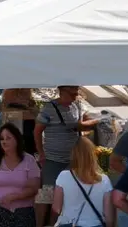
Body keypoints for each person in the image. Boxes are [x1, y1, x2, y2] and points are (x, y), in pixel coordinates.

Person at [35, 86, 98, 226]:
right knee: (46, 194)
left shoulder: (76, 107)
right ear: (62, 92)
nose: (75, 97)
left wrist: (94, 121)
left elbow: (79, 127)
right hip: (52, 159)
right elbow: (37, 131)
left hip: (73, 159)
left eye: (76, 94)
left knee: (69, 194)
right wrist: (41, 153)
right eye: (72, 94)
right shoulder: (49, 108)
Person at [0, 122, 40, 227]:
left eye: (8, 138)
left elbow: (34, 188)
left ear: (16, 139)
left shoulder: (29, 160)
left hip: (23, 212)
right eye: (2, 139)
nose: (4, 141)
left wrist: (15, 197)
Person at [53, 137, 112, 227]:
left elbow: (56, 208)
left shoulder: (64, 176)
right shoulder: (104, 180)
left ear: (73, 155)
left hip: (70, 223)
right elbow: (108, 215)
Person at [0, 88, 38, 154]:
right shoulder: (9, 91)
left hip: (26, 124)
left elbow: (35, 111)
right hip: (17, 122)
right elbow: (5, 108)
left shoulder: (27, 90)